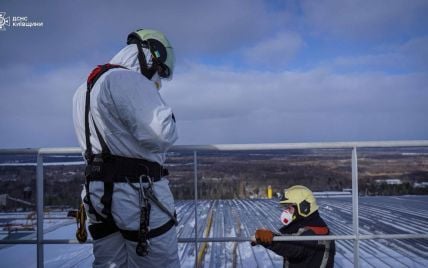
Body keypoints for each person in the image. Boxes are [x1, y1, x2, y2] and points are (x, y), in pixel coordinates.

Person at [72, 29, 180, 267]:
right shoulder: (127, 79)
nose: (158, 79)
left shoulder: (83, 89)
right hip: (136, 196)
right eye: (160, 69)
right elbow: (162, 133)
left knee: (109, 262)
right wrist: (169, 116)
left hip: (98, 195)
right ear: (152, 55)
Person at [253, 185, 335, 268]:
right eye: (286, 208)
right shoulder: (317, 225)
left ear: (304, 208)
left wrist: (271, 239)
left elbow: (293, 247)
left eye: (289, 208)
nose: (286, 212)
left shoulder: (313, 233)